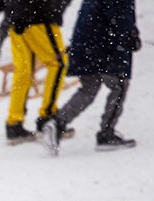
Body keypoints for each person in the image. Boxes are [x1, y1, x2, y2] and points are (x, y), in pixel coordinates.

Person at [41, 0, 141, 155]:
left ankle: (57, 124)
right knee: (119, 86)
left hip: (84, 43)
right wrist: (130, 36)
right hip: (104, 45)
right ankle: (106, 134)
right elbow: (120, 17)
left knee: (88, 89)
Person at [0, 0, 72, 144]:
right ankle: (48, 119)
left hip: (16, 20)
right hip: (40, 18)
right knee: (58, 65)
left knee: (23, 72)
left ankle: (14, 124)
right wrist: (54, 9)